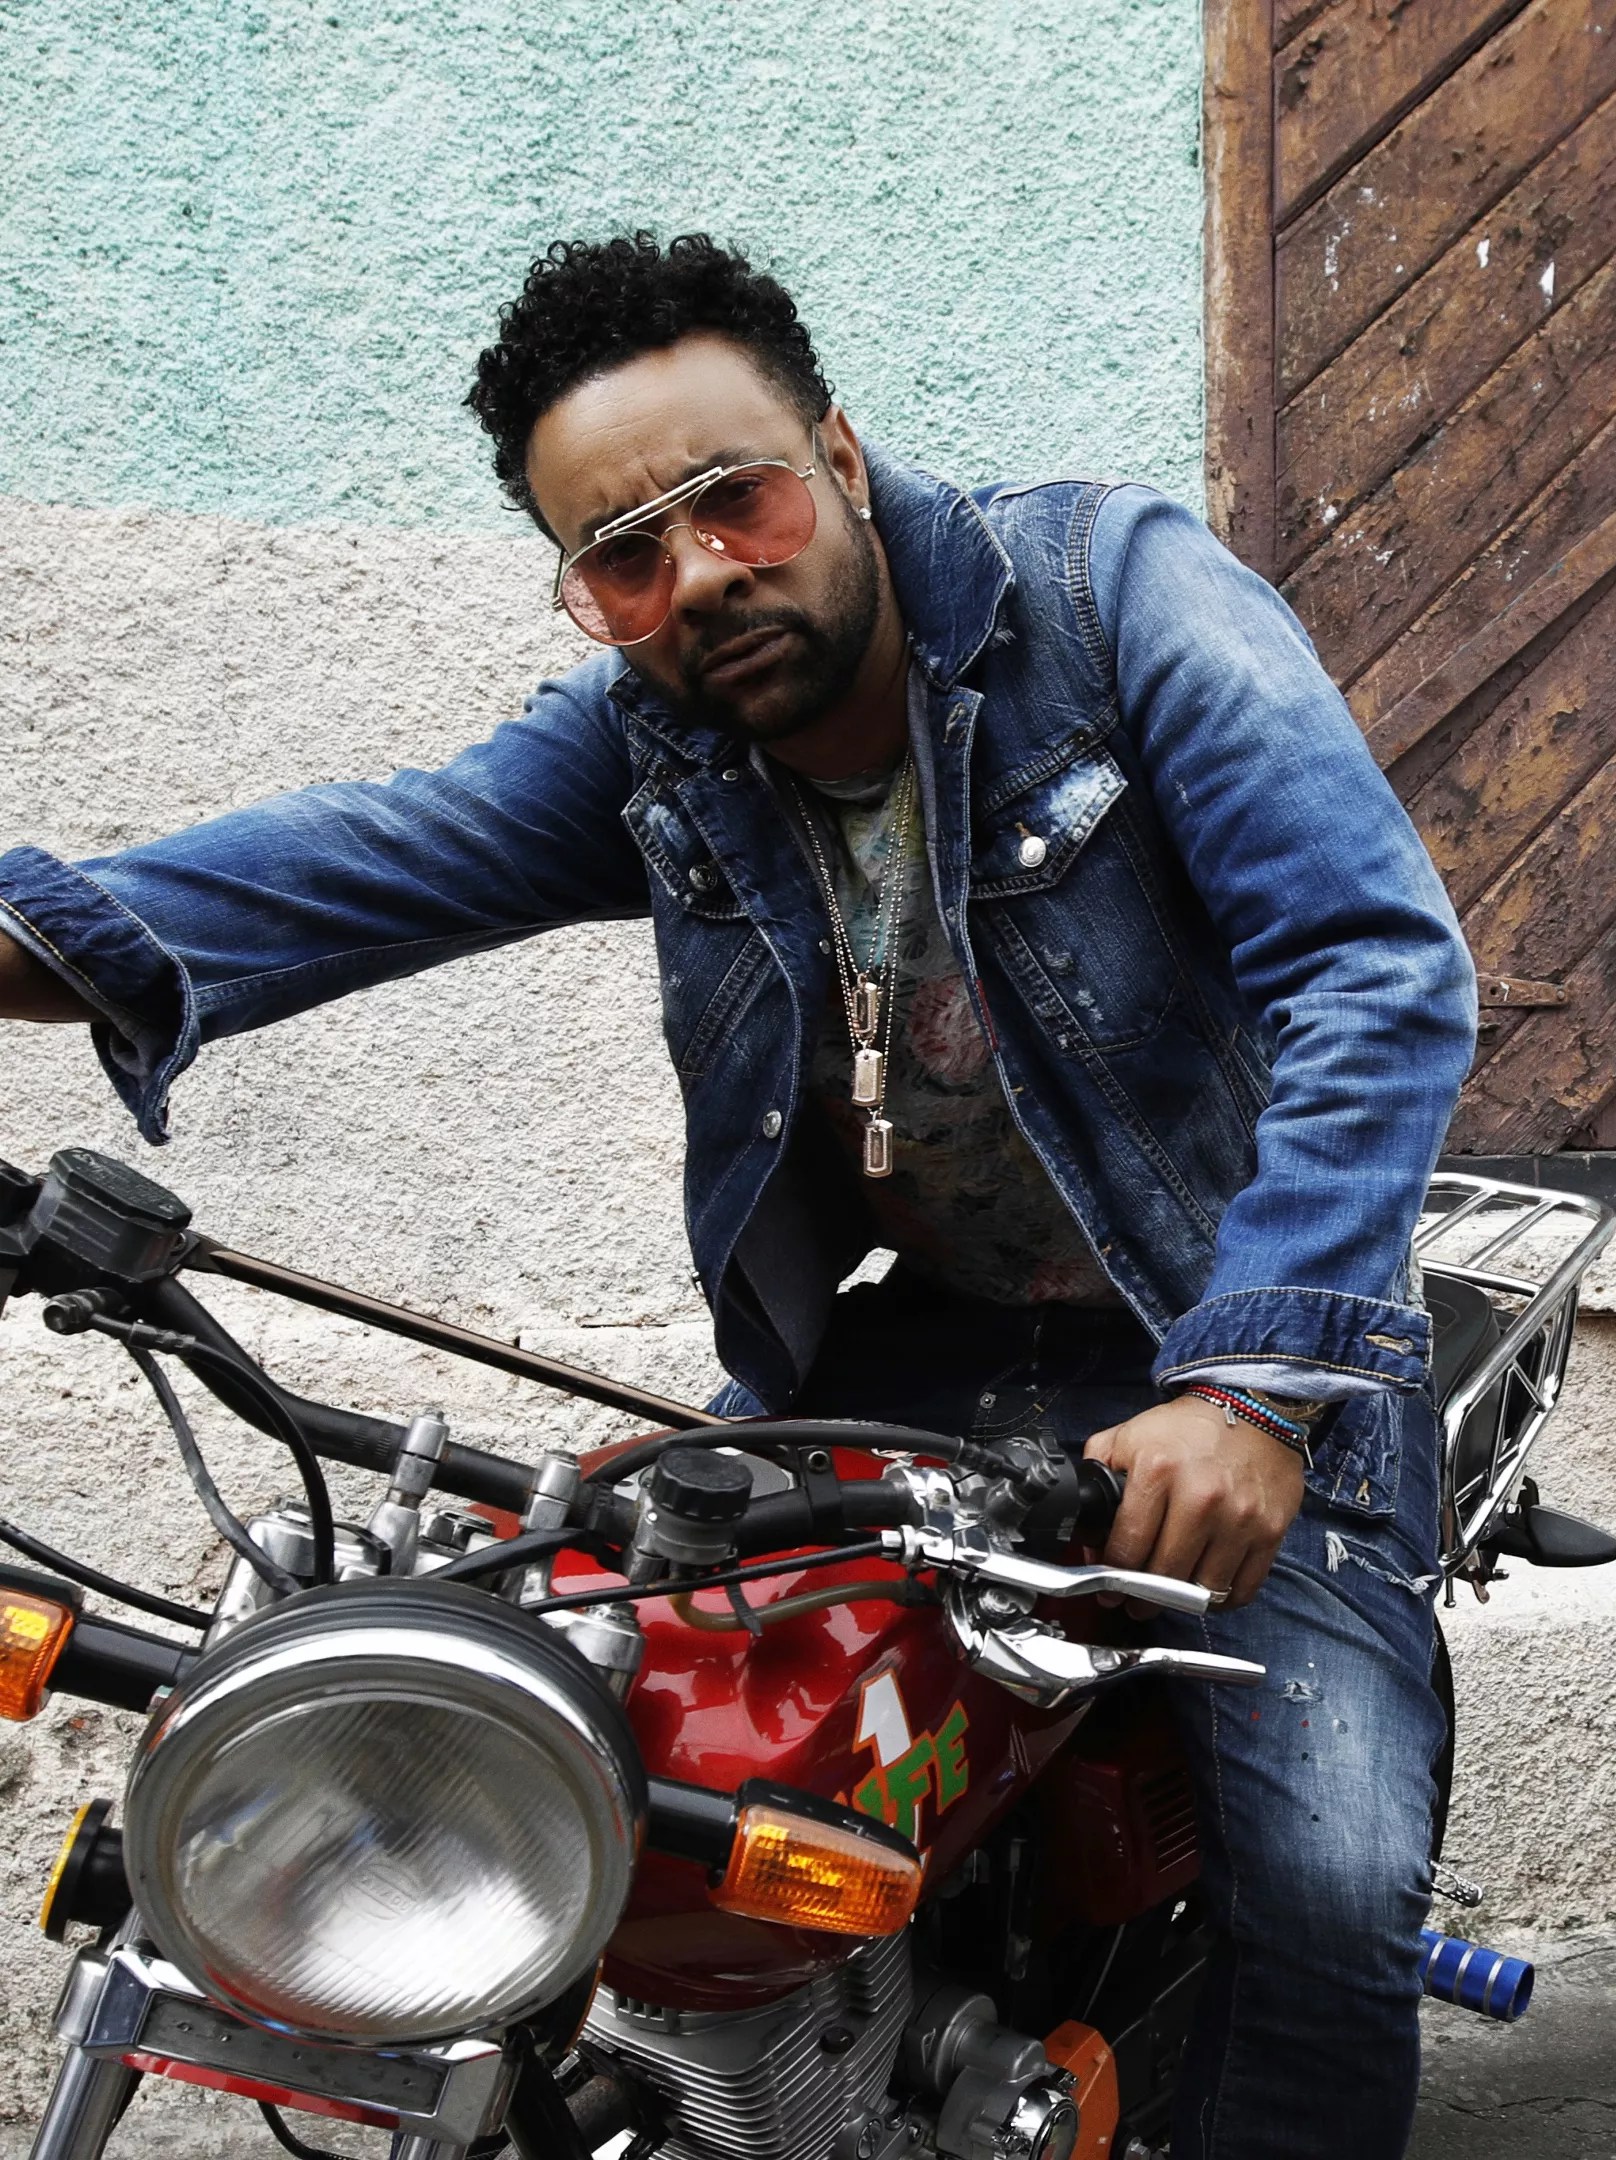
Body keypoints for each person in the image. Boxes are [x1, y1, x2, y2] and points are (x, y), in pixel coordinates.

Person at [0, 233, 1474, 2160]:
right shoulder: (660, 742)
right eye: (624, 558)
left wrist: (1256, 1384)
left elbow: (1373, 967)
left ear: (838, 460)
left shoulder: (1111, 594)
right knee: (634, 1761)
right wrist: (34, 945)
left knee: (1329, 1890)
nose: (698, 575)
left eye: (736, 501)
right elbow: (355, 860)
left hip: (1235, 1327)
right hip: (912, 1354)